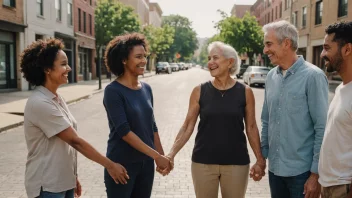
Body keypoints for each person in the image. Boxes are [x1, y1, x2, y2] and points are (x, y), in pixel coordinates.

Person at [20, 38, 129, 198]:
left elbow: (66, 147)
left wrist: (73, 177)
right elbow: (75, 141)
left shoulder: (56, 98)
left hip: (63, 182)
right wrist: (110, 165)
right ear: (47, 69)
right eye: (63, 64)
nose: (69, 68)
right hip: (47, 186)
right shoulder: (40, 102)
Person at [166, 41, 266, 198]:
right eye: (209, 58)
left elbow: (252, 127)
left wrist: (260, 160)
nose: (210, 62)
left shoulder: (245, 92)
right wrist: (170, 154)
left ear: (230, 62)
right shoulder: (199, 91)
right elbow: (187, 126)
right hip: (203, 163)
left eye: (215, 58)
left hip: (236, 163)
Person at [261, 20, 329, 198]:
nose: (265, 50)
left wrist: (315, 175)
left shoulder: (313, 76)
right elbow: (266, 121)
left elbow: (322, 127)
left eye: (269, 44)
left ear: (286, 43)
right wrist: (262, 157)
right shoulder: (270, 77)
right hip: (275, 171)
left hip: (302, 174)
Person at [103, 33, 171, 198]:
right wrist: (156, 155)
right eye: (138, 57)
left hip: (146, 164)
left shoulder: (146, 88)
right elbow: (124, 132)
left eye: (145, 56)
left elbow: (151, 126)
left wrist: (161, 157)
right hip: (122, 165)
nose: (143, 61)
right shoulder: (113, 91)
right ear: (124, 60)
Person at [318, 21, 352, 198]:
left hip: (344, 188)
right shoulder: (341, 89)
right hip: (330, 185)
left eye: (326, 48)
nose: (322, 54)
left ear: (347, 50)